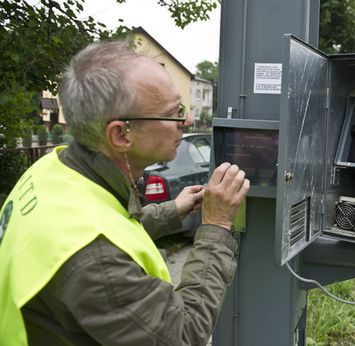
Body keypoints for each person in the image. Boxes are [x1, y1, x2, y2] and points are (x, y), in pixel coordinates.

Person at [0, 40, 250, 345]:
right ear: (120, 134)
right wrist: (216, 226)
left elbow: (103, 227)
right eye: (175, 113)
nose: (186, 121)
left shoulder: (52, 169)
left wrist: (171, 210)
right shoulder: (96, 264)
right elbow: (182, 336)